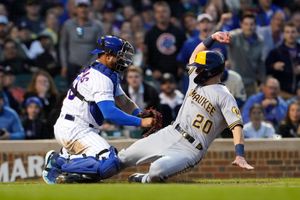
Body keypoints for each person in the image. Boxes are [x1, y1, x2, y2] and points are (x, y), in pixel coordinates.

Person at [118, 31, 254, 183]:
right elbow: (195, 55)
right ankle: (92, 172)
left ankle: (144, 180)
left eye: (201, 68)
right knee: (124, 157)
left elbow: (237, 126)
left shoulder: (224, 96)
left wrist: (240, 154)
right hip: (170, 132)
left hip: (191, 149)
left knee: (156, 171)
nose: (196, 69)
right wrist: (213, 38)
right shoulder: (195, 79)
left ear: (211, 71)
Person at [42, 35, 156, 184]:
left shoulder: (106, 72)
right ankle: (59, 161)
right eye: (120, 56)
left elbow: (123, 100)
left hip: (77, 126)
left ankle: (76, 174)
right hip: (75, 129)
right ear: (108, 56)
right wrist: (141, 122)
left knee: (106, 160)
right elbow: (110, 113)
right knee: (109, 163)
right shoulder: (100, 78)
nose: (125, 60)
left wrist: (140, 113)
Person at [60, 0, 103, 84]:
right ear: (76, 9)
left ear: (90, 9)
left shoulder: (97, 26)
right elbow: (63, 46)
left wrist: (90, 64)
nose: (83, 9)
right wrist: (64, 65)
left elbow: (100, 47)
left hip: (91, 67)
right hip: (72, 66)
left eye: (85, 7)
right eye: (80, 7)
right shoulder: (68, 25)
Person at [144, 1, 186, 80]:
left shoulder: (178, 32)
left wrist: (181, 66)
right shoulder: (150, 34)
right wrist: (153, 70)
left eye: (164, 11)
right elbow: (146, 55)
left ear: (169, 13)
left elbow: (184, 51)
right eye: (158, 12)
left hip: (177, 76)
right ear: (155, 14)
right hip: (157, 76)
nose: (161, 14)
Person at [228, 13, 264, 97]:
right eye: (246, 24)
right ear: (241, 24)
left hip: (251, 83)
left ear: (255, 25)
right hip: (234, 82)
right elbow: (225, 37)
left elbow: (260, 63)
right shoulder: (234, 36)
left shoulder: (260, 41)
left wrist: (262, 81)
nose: (249, 27)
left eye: (251, 24)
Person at [265, 22, 300, 99]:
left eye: (293, 32)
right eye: (287, 32)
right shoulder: (276, 52)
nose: (290, 35)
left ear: (297, 33)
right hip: (281, 94)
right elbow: (265, 70)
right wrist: (273, 66)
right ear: (283, 34)